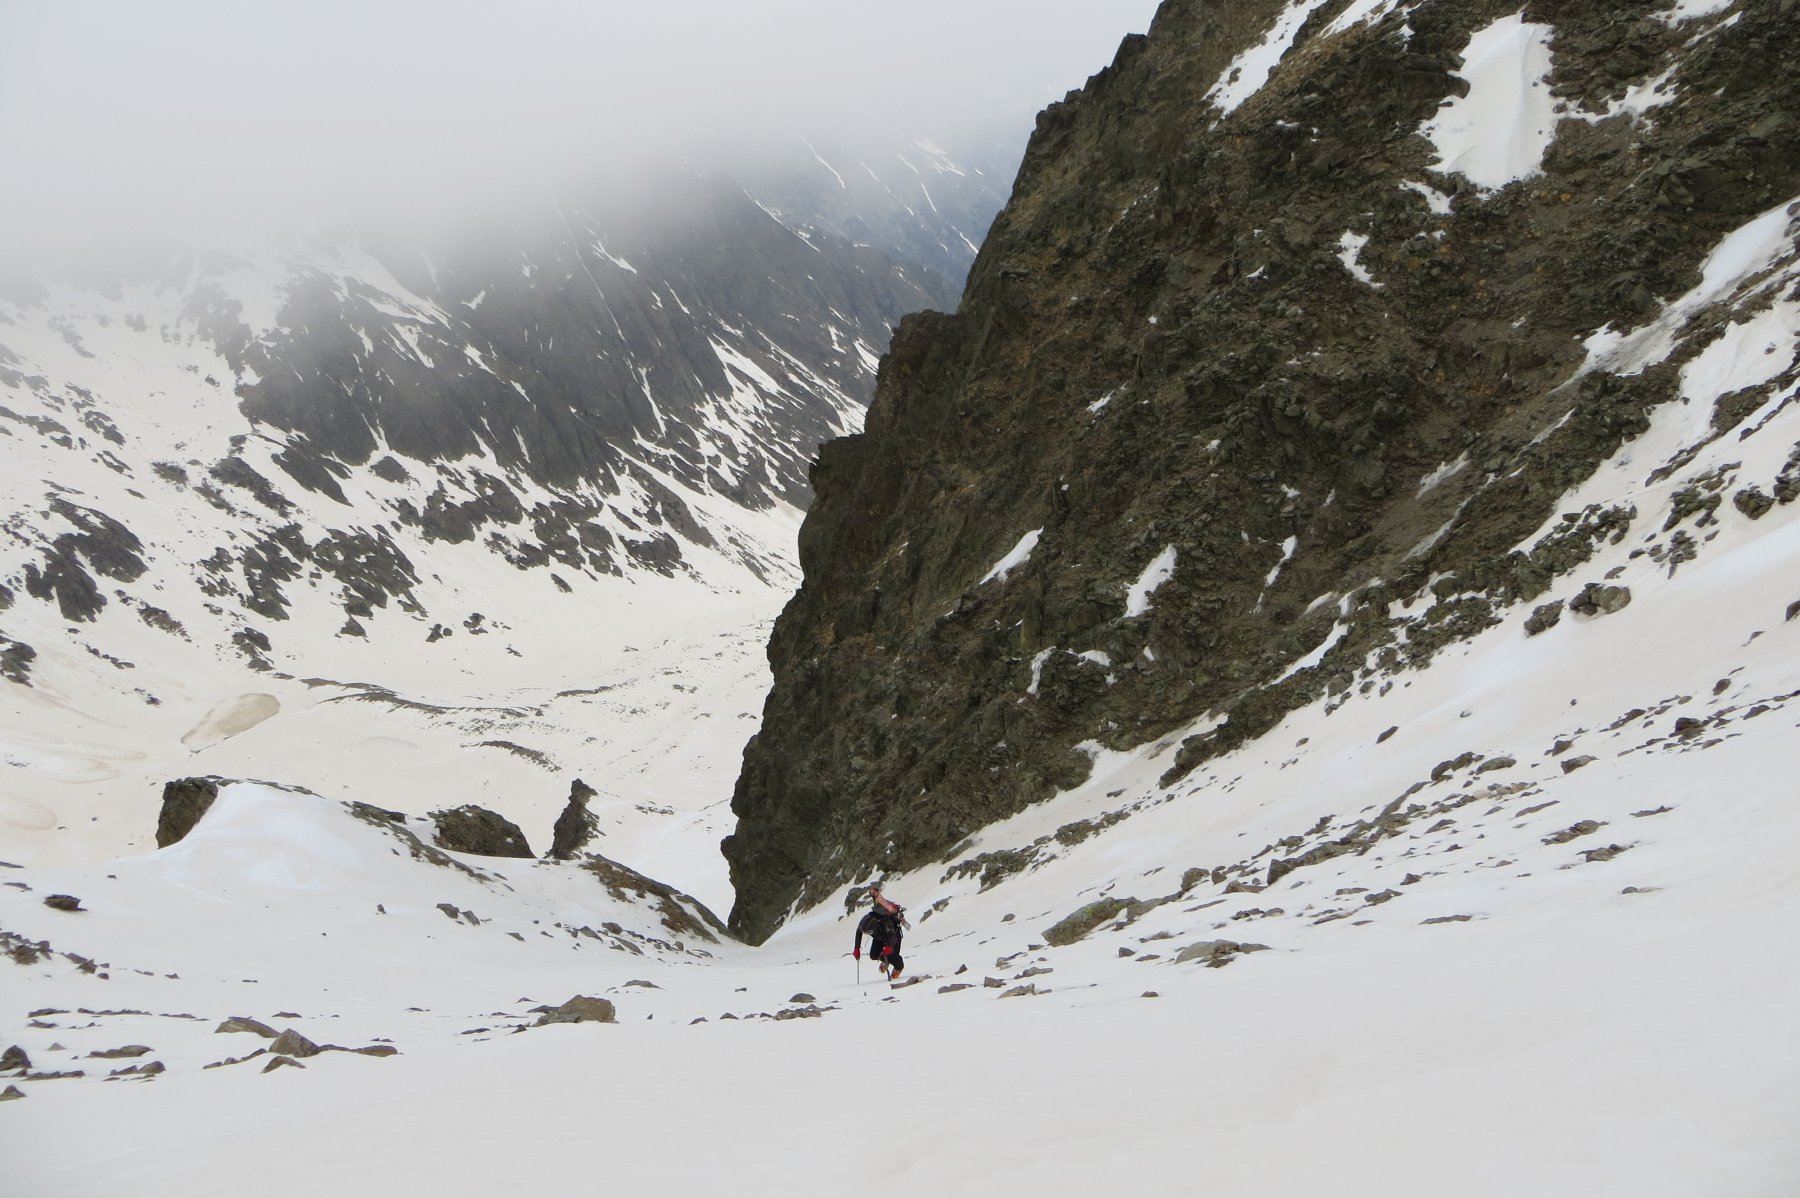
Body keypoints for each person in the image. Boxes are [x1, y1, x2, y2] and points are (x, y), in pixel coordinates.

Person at [852, 882, 910, 980]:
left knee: (892, 956)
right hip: (879, 937)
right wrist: (856, 947)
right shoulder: (865, 922)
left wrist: (888, 946)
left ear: (875, 927)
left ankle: (899, 967)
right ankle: (885, 960)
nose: (869, 934)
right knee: (873, 955)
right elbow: (859, 932)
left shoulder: (886, 924)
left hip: (892, 938)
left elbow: (892, 937)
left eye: (870, 932)